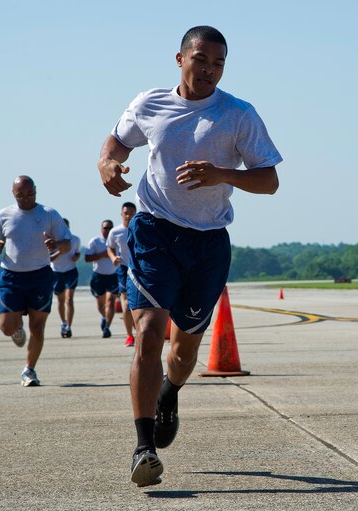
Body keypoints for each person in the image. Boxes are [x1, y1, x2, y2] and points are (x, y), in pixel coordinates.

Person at [98, 26, 282, 487]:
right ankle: (143, 448)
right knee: (148, 333)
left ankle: (171, 391)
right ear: (179, 58)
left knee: (183, 353)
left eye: (218, 63)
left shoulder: (238, 115)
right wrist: (106, 164)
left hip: (208, 242)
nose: (209, 70)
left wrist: (222, 173)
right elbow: (117, 142)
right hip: (154, 231)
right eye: (201, 60)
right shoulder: (150, 104)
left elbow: (269, 180)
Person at [0, 176, 71, 387]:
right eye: (20, 195)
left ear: (35, 190)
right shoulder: (3, 215)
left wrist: (56, 244)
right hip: (11, 276)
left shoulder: (48, 214)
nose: (26, 199)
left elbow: (67, 245)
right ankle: (16, 328)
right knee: (6, 327)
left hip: (40, 276)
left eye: (30, 194)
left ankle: (29, 370)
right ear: (13, 193)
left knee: (38, 327)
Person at [106, 202, 137, 347]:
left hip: (139, 268)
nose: (129, 216)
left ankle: (139, 330)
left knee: (140, 303)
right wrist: (113, 258)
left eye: (132, 213)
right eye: (126, 213)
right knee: (125, 302)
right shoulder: (115, 232)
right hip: (124, 269)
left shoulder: (141, 229)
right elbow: (110, 247)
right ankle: (129, 335)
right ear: (121, 214)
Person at [85, 220, 119, 338]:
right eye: (105, 228)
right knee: (101, 304)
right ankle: (104, 317)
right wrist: (102, 255)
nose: (107, 230)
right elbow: (87, 258)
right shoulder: (95, 241)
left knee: (111, 301)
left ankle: (107, 328)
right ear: (101, 229)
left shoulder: (116, 241)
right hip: (98, 276)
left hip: (113, 275)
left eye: (110, 228)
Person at [50, 218, 81, 338]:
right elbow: (49, 258)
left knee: (69, 299)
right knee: (60, 300)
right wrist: (59, 252)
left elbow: (77, 253)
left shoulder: (75, 239)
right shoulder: (53, 242)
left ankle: (69, 326)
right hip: (56, 272)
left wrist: (76, 257)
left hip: (71, 271)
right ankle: (63, 322)